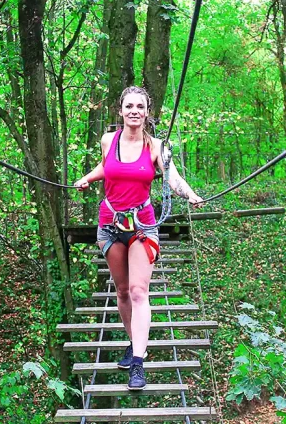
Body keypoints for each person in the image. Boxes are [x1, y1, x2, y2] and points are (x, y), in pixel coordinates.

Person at [74, 86, 203, 390]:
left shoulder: (157, 146)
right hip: (109, 223)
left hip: (142, 225)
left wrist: (191, 195)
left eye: (140, 107)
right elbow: (106, 167)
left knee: (137, 291)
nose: (134, 111)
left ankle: (138, 362)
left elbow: (172, 177)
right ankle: (134, 343)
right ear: (121, 111)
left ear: (147, 112)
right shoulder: (109, 140)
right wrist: (87, 178)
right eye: (129, 106)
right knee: (121, 292)